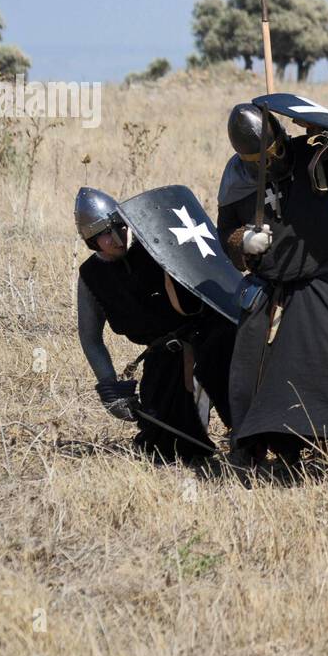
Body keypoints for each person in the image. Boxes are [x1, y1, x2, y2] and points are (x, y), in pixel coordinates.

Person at [217, 103, 328, 467]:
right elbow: (225, 234)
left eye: (273, 152)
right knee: (251, 367)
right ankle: (253, 446)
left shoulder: (310, 157)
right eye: (258, 158)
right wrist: (243, 243)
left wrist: (317, 124)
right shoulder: (238, 181)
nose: (268, 163)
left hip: (320, 281)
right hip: (269, 289)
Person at [74, 187, 234, 463]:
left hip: (208, 338)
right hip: (162, 355)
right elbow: (90, 338)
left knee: (240, 405)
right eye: (104, 234)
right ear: (91, 240)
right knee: (166, 444)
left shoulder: (156, 247)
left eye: (119, 227)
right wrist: (109, 386)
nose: (116, 238)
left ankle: (246, 440)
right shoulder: (91, 277)